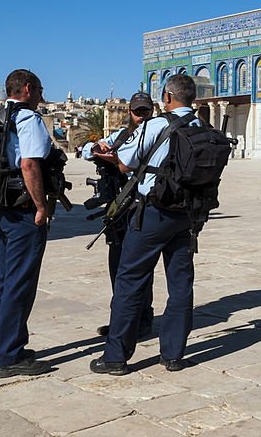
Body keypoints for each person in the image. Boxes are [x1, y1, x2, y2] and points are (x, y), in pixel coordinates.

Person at [91, 75, 199, 375]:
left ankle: (115, 357)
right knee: (180, 285)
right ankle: (174, 354)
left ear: (167, 97)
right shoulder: (203, 128)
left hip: (152, 213)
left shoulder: (156, 125)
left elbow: (125, 164)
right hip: (187, 215)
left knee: (130, 280)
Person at [0, 69, 53, 378]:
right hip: (22, 209)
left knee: (5, 277)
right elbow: (29, 163)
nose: (41, 95)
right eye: (39, 89)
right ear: (27, 89)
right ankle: (9, 357)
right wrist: (40, 205)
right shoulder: (28, 119)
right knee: (20, 282)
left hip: (0, 206)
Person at [82, 91, 156, 339]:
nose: (142, 116)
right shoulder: (123, 135)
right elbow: (87, 151)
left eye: (146, 111)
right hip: (118, 209)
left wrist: (119, 161)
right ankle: (123, 319)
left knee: (137, 268)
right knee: (118, 267)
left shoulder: (158, 134)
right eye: (138, 112)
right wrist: (95, 147)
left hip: (141, 207)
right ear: (130, 112)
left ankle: (142, 319)